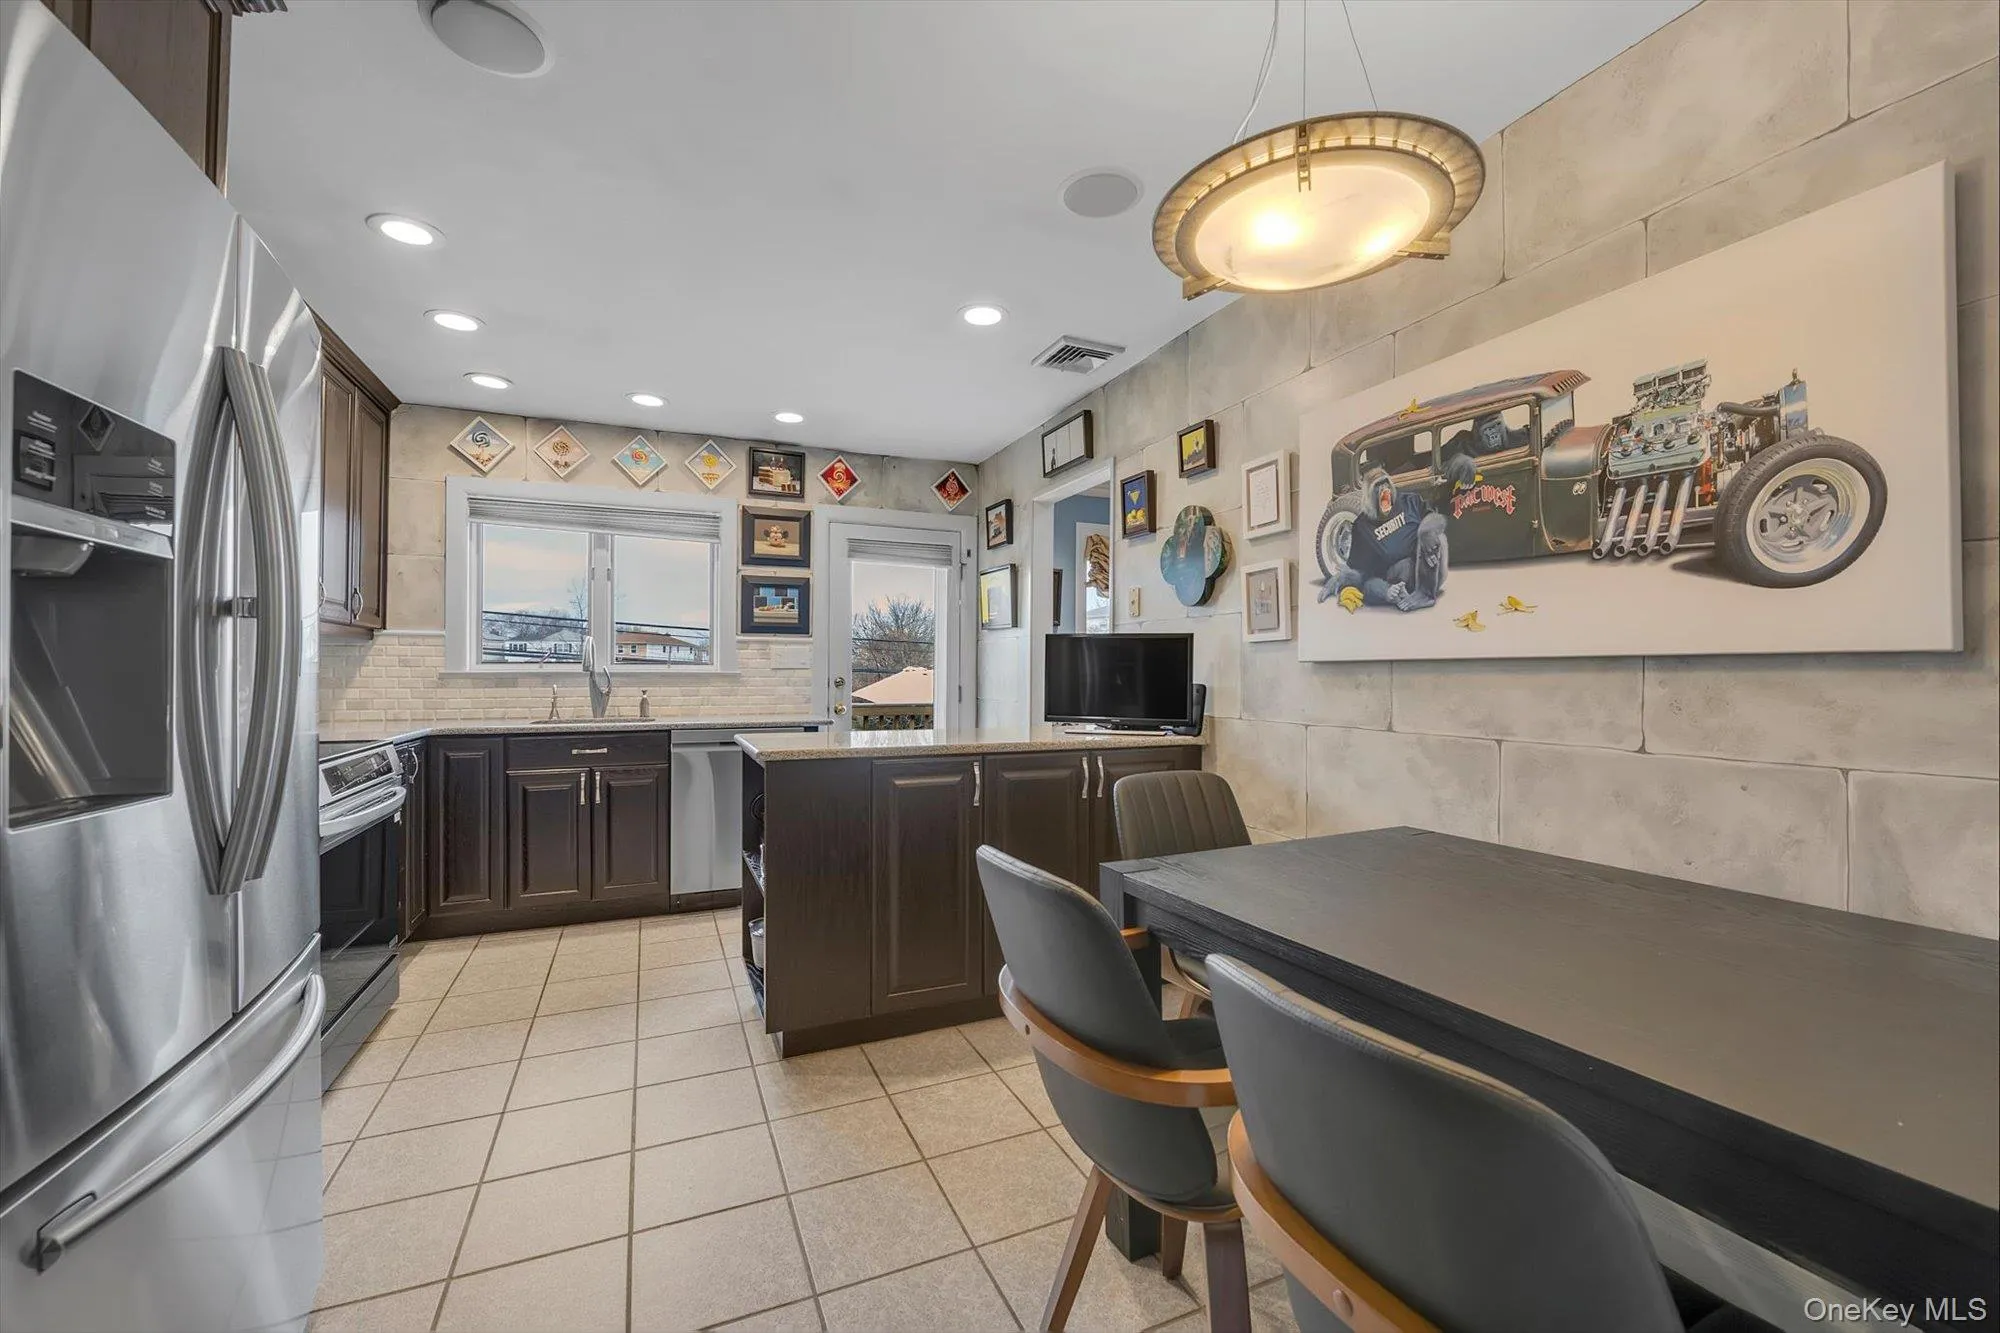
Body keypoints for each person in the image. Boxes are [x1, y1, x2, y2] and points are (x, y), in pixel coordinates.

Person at [1325, 468, 1448, 612]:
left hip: (1429, 570)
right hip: (1397, 578)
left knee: (1436, 535)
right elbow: (1360, 572)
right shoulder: (1362, 526)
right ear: (1368, 494)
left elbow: (1436, 518)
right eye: (1378, 485)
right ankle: (1395, 594)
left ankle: (1425, 594)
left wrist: (1426, 532)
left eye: (1386, 483)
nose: (1384, 489)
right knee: (1370, 585)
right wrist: (1340, 579)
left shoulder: (1409, 501)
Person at [1441, 410, 1524, 486]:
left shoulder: (1518, 438)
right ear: (1478, 433)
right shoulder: (1463, 444)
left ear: (1504, 426)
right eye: (1489, 429)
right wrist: (1459, 462)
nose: (1494, 436)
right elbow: (1438, 466)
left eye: (1497, 425)